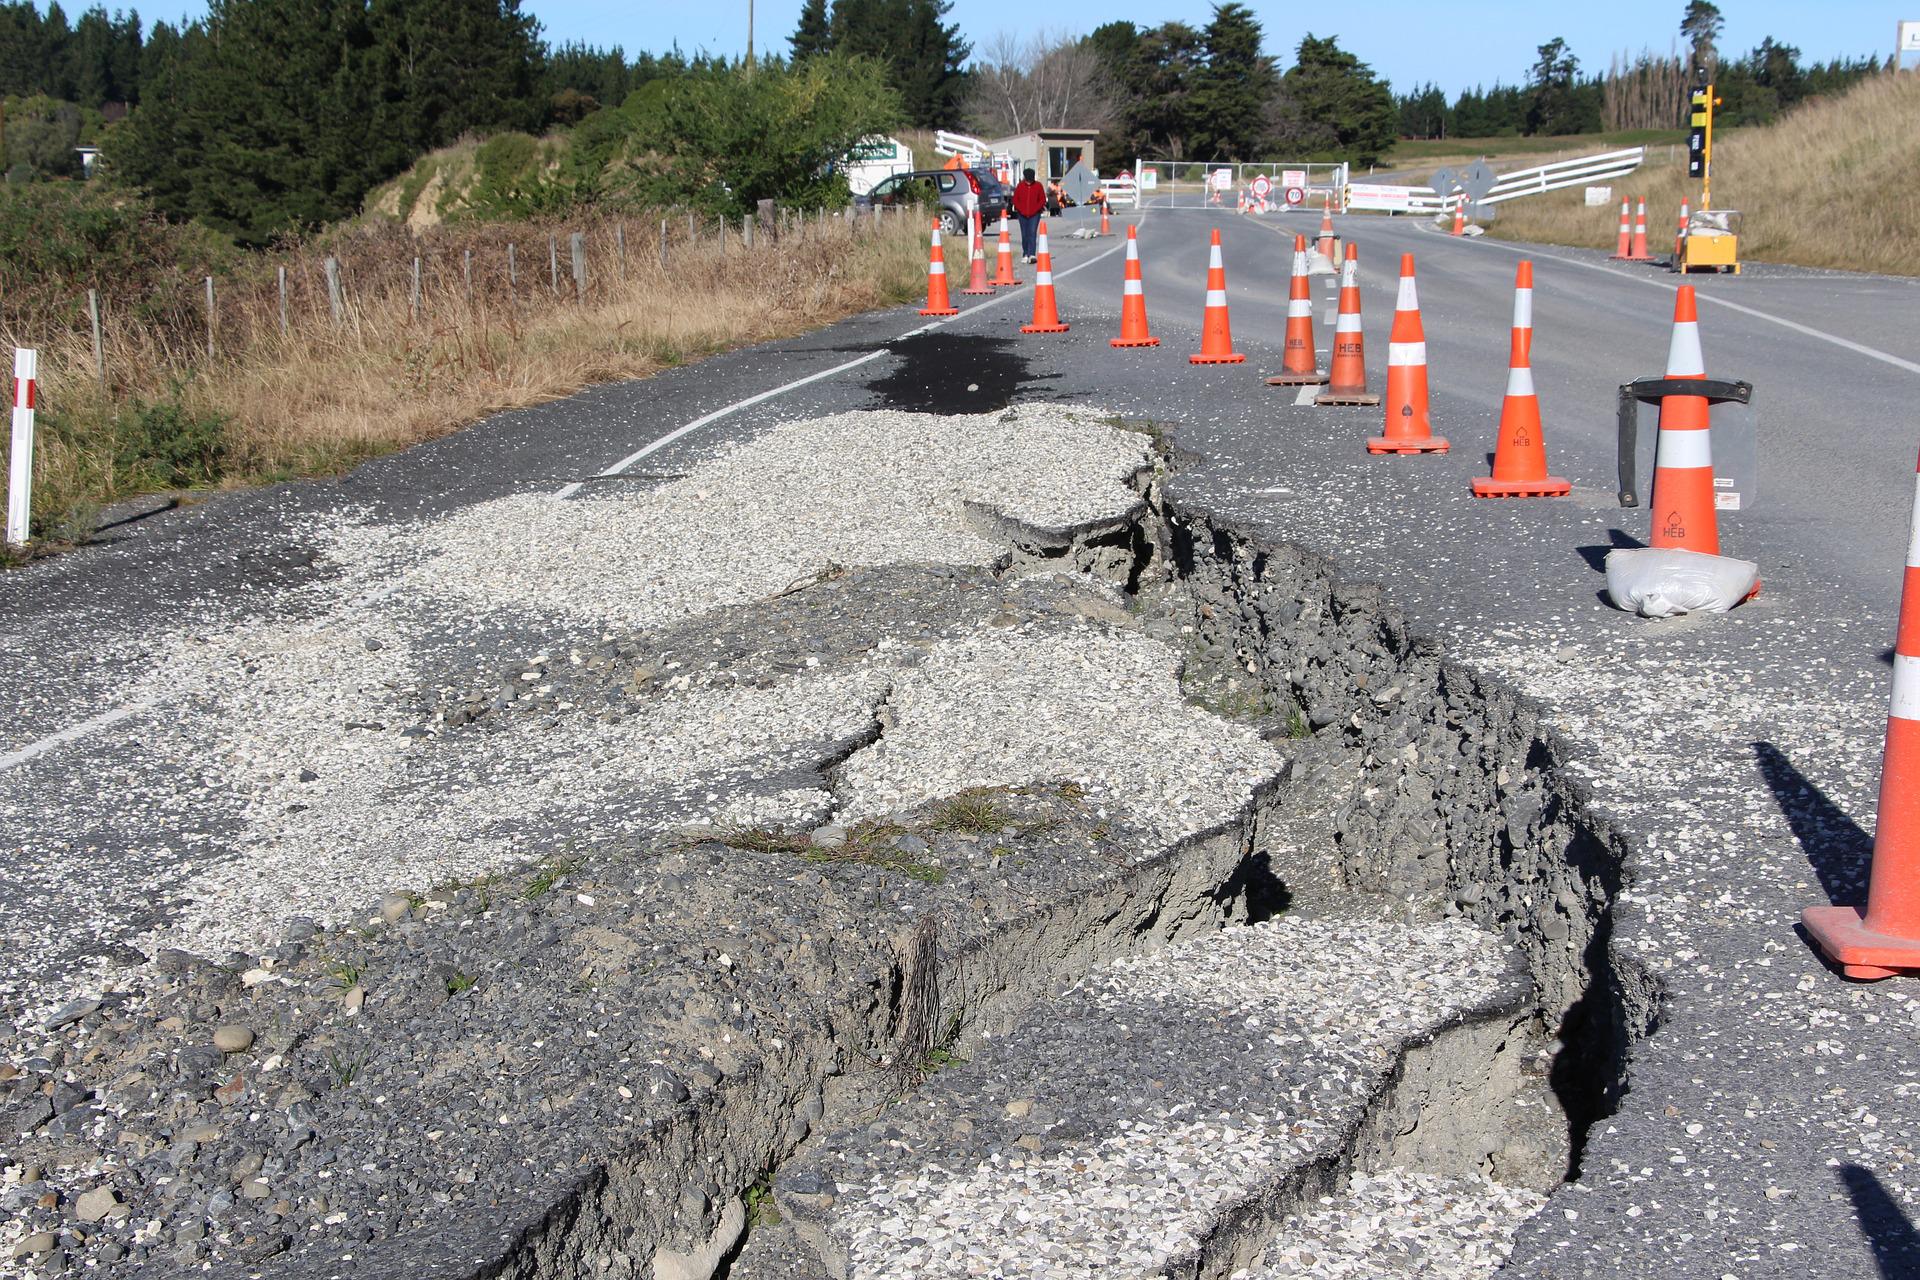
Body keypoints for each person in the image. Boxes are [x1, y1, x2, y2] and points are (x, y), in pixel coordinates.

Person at [1011, 168, 1046, 263]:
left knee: (1032, 233)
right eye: (1027, 180)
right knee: (1024, 234)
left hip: (1034, 215)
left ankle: (1032, 254)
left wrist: (1036, 209)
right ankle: (1025, 253)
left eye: (1031, 180)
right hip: (1022, 215)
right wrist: (1020, 210)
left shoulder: (1038, 186)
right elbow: (1015, 199)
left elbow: (1042, 199)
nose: (1029, 182)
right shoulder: (1020, 186)